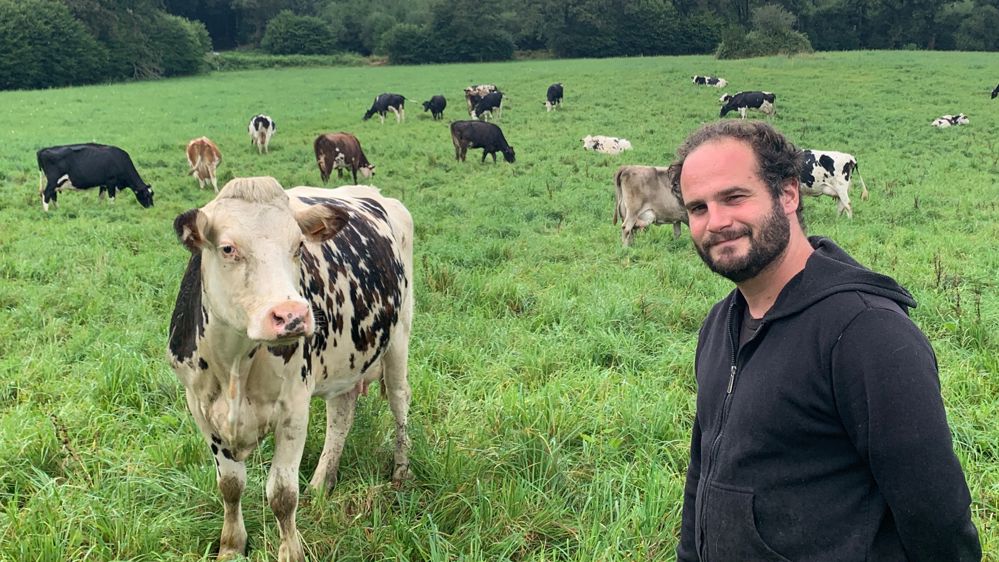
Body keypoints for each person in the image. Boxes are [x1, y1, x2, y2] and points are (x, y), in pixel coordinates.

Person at [670, 120, 980, 561]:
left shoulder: (867, 332)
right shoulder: (720, 323)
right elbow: (702, 471)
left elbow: (937, 518)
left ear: (788, 194)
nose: (716, 222)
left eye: (734, 197)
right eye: (698, 208)